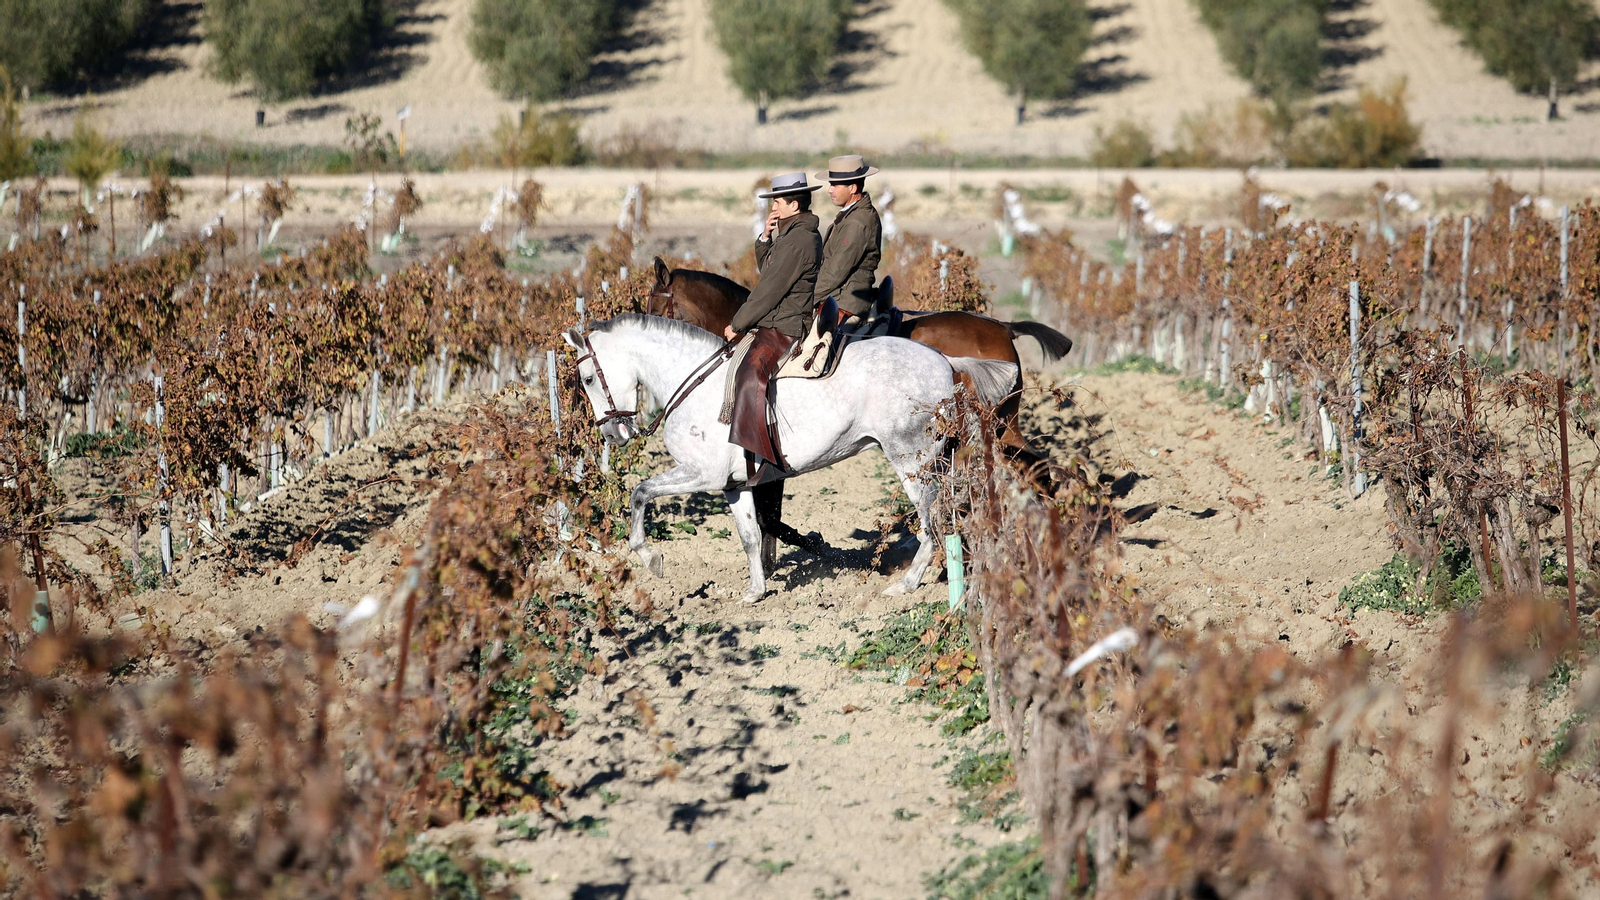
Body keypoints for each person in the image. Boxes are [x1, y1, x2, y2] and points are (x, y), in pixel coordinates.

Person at [724, 172, 823, 482]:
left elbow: (769, 290)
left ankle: (761, 456)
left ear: (794, 204)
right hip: (777, 318)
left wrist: (738, 323)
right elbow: (770, 271)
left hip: (785, 324)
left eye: (778, 202)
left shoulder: (799, 240)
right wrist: (765, 239)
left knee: (752, 371)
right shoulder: (792, 234)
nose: (774, 208)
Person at [813, 154, 883, 322]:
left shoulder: (857, 222)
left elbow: (835, 272)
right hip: (837, 297)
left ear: (852, 188)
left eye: (835, 185)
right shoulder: (852, 215)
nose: (830, 189)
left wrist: (805, 298)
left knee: (812, 347)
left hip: (844, 303)